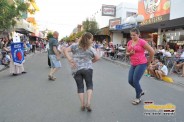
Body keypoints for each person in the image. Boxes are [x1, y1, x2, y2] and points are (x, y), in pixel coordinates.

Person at [64, 32, 100, 112]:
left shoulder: (75, 45)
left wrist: (70, 59)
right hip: (88, 69)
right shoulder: (91, 48)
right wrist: (91, 62)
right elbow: (97, 58)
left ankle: (82, 104)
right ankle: (88, 103)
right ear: (90, 39)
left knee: (80, 87)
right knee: (89, 85)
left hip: (76, 69)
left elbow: (65, 50)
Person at [126, 28, 155, 105]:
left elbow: (152, 51)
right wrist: (130, 54)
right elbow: (127, 52)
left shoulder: (142, 42)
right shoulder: (129, 42)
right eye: (131, 35)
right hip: (133, 63)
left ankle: (138, 97)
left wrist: (149, 63)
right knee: (130, 81)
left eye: (134, 35)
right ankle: (140, 91)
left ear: (138, 34)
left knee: (135, 81)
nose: (132, 36)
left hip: (141, 63)